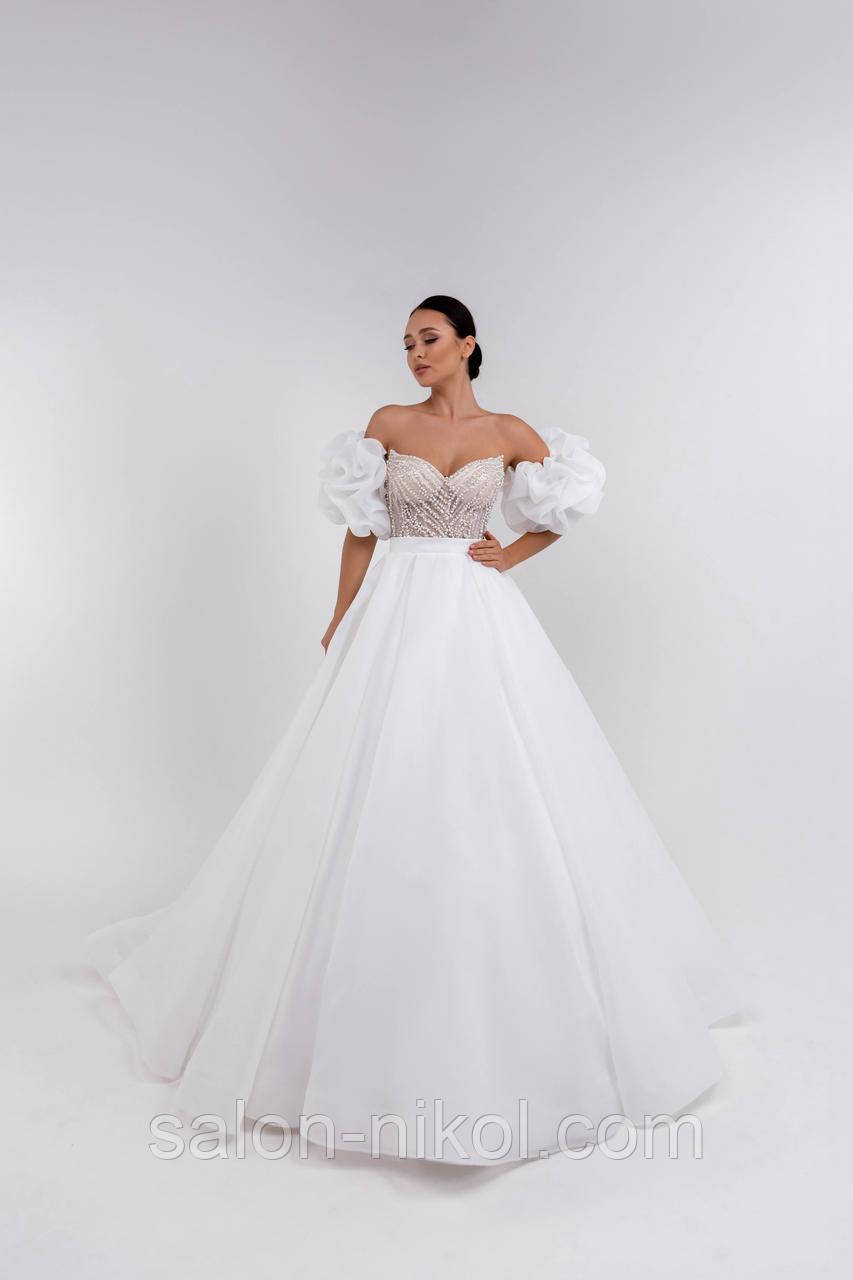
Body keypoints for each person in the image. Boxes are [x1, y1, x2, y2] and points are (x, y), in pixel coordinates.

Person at [85, 295, 743, 1166]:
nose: (414, 353)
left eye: (428, 339)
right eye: (405, 343)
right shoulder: (387, 423)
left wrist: (508, 554)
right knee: (368, 779)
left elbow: (561, 506)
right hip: (393, 608)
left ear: (467, 345)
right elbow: (362, 531)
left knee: (491, 780)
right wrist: (340, 614)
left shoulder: (510, 432)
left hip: (475, 610)